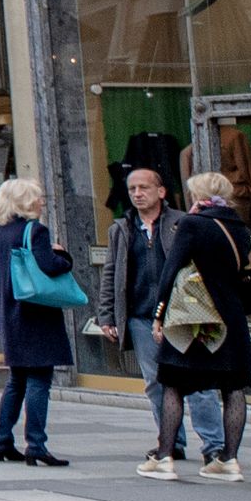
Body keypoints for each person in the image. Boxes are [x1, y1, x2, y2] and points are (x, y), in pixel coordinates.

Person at [150, 170, 251, 481]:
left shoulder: (192, 224)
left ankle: (164, 458)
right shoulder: (239, 225)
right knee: (233, 387)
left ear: (198, 194)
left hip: (195, 318)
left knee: (173, 383)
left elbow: (171, 270)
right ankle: (228, 460)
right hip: (231, 318)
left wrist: (159, 313)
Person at [88, 162, 188, 473]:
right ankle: (171, 441)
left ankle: (214, 446)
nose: (137, 193)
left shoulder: (181, 223)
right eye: (132, 189)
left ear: (161, 191)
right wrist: (107, 315)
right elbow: (111, 274)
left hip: (181, 314)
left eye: (144, 187)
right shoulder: (122, 229)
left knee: (197, 382)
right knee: (155, 382)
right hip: (141, 316)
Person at [0, 173, 75, 467]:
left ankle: (2, 441)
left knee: (16, 380)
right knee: (39, 380)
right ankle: (36, 445)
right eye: (38, 197)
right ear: (25, 202)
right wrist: (64, 256)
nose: (42, 202)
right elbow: (50, 266)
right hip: (35, 314)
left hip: (7, 312)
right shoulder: (34, 231)